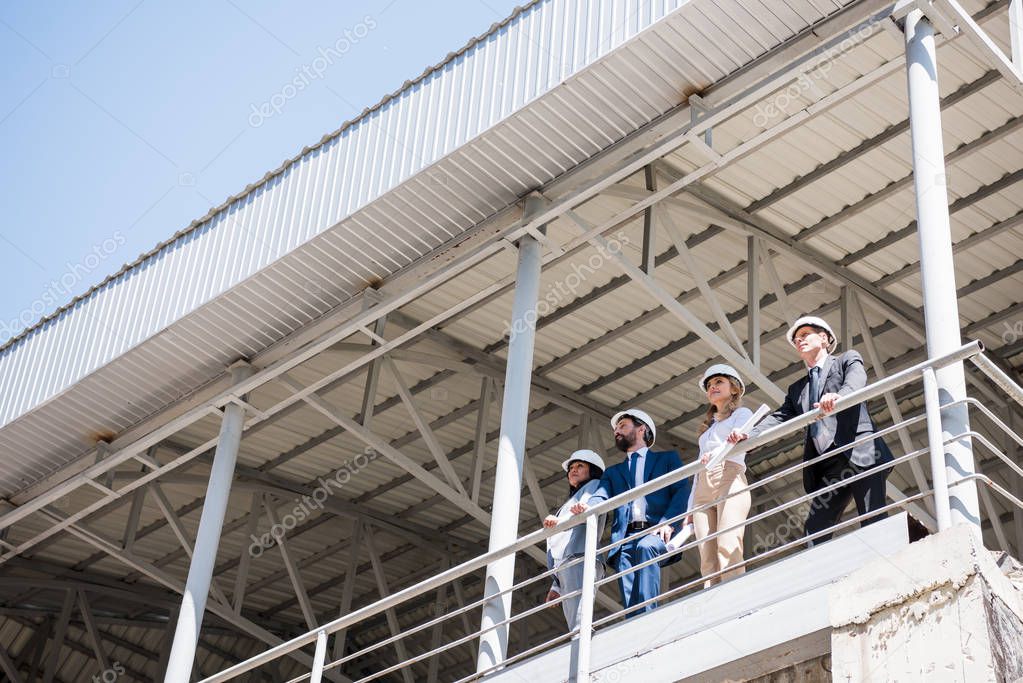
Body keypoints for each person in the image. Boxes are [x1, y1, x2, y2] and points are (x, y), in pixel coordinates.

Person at [728, 315, 893, 545]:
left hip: (860, 453)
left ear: (824, 338)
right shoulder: (797, 389)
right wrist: (749, 434)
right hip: (828, 466)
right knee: (815, 531)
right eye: (796, 339)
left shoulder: (846, 360)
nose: (799, 341)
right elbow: (779, 417)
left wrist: (840, 397)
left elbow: (856, 381)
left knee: (872, 515)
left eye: (805, 335)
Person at [570, 409, 691, 615]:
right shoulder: (613, 472)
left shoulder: (667, 459)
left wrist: (668, 522)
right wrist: (588, 506)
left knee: (646, 547)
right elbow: (601, 494)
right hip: (625, 538)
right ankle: (634, 624)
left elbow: (681, 491)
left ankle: (648, 618)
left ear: (641, 429)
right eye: (616, 428)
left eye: (622, 426)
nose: (617, 431)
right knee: (628, 594)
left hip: (656, 530)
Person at [690, 364, 754, 587]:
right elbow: (699, 469)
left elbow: (742, 440)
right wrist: (690, 508)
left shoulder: (742, 414)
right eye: (709, 385)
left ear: (734, 388)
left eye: (718, 382)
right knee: (707, 557)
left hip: (729, 475)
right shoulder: (707, 429)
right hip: (703, 487)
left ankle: (735, 597)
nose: (712, 387)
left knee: (727, 543)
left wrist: (720, 450)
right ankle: (712, 605)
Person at [542, 450, 607, 630]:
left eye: (580, 466)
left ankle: (582, 646)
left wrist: (558, 521)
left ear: (592, 470)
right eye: (571, 468)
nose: (573, 470)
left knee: (579, 621)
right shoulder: (570, 501)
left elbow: (584, 509)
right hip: (568, 562)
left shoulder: (595, 485)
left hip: (579, 557)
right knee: (575, 619)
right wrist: (557, 585)